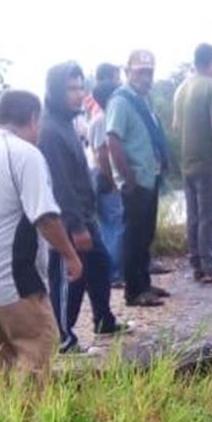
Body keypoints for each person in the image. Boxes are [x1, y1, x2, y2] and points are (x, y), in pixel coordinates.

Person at [0, 89, 82, 380]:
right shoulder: (25, 154)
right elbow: (45, 217)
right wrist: (71, 255)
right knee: (39, 351)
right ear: (34, 118)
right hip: (10, 278)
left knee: (3, 370)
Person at [38, 61, 125, 353]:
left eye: (80, 87)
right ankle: (61, 336)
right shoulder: (49, 130)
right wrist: (75, 226)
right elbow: (60, 185)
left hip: (86, 214)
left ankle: (104, 319)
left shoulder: (67, 124)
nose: (78, 94)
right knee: (69, 277)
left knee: (100, 265)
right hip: (67, 220)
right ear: (56, 91)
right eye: (71, 89)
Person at [106, 49, 171, 307]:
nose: (146, 77)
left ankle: (144, 282)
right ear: (127, 72)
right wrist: (127, 178)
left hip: (149, 175)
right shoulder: (121, 100)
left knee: (146, 234)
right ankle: (134, 290)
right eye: (141, 72)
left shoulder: (144, 99)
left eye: (150, 72)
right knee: (134, 236)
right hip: (136, 179)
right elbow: (113, 138)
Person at [173, 42, 212, 283]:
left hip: (188, 162)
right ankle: (211, 266)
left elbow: (176, 126)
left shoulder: (182, 88)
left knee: (194, 216)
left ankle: (197, 263)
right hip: (210, 163)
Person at [89, 79, 124, 286]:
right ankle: (114, 272)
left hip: (101, 176)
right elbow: (102, 153)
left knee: (108, 225)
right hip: (105, 178)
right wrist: (113, 181)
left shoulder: (99, 119)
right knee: (115, 224)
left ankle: (112, 271)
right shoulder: (103, 120)